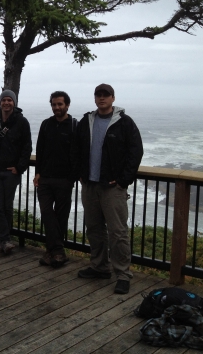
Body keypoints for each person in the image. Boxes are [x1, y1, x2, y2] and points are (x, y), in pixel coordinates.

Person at [74, 84, 143, 295]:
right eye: (99, 95)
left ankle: (123, 274)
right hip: (90, 185)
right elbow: (75, 149)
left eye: (106, 95)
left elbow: (136, 152)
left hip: (113, 187)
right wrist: (81, 173)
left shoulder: (124, 123)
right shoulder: (86, 121)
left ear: (113, 98)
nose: (102, 98)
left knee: (118, 232)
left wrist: (124, 180)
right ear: (95, 98)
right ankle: (100, 267)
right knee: (94, 229)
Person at [0, 90, 32, 255]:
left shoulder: (22, 122)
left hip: (12, 172)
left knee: (7, 206)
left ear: (14, 102)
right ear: (0, 102)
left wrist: (19, 168)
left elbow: (27, 147)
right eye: (4, 100)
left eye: (10, 100)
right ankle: (5, 239)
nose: (7, 103)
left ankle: (2, 240)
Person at [34, 91, 77, 267]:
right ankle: (58, 251)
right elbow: (40, 150)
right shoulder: (46, 124)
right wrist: (38, 173)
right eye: (54, 104)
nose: (57, 107)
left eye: (60, 104)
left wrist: (72, 178)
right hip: (45, 178)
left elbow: (78, 153)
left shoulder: (75, 126)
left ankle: (51, 251)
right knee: (46, 212)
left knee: (61, 215)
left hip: (64, 180)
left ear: (67, 105)